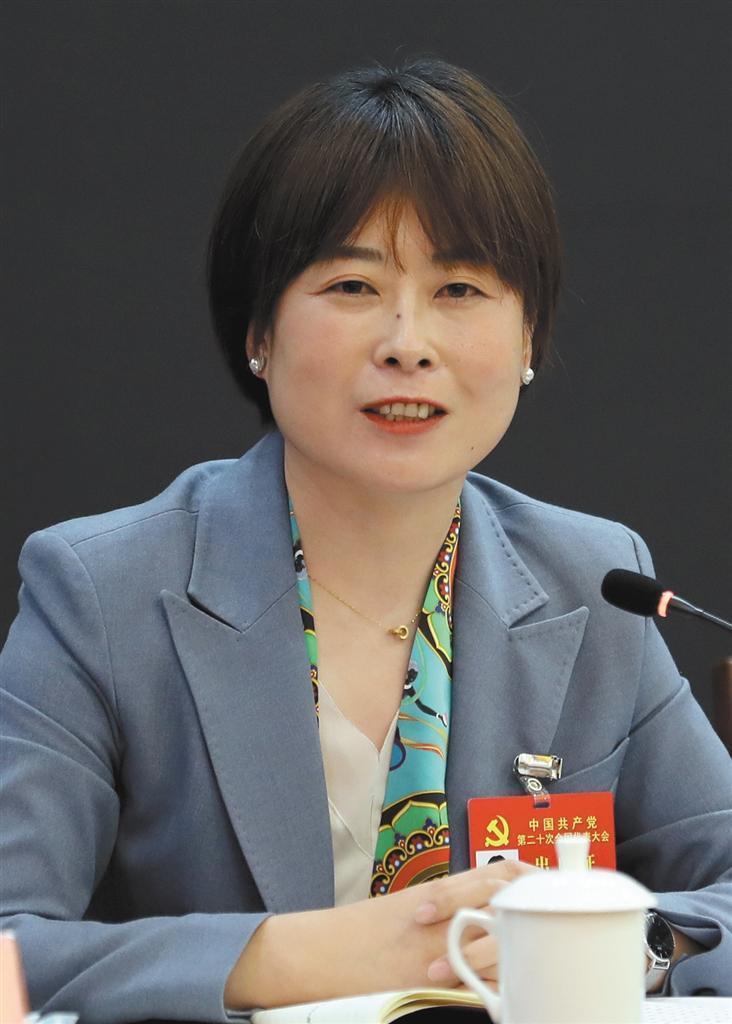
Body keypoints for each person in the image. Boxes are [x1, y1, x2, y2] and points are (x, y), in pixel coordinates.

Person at [1, 56, 730, 1023]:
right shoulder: (103, 591)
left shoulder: (591, 584)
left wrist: (624, 944)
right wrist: (325, 953)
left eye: (460, 289)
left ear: (527, 339)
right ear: (259, 331)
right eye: (352, 284)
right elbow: (10, 944)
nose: (407, 342)